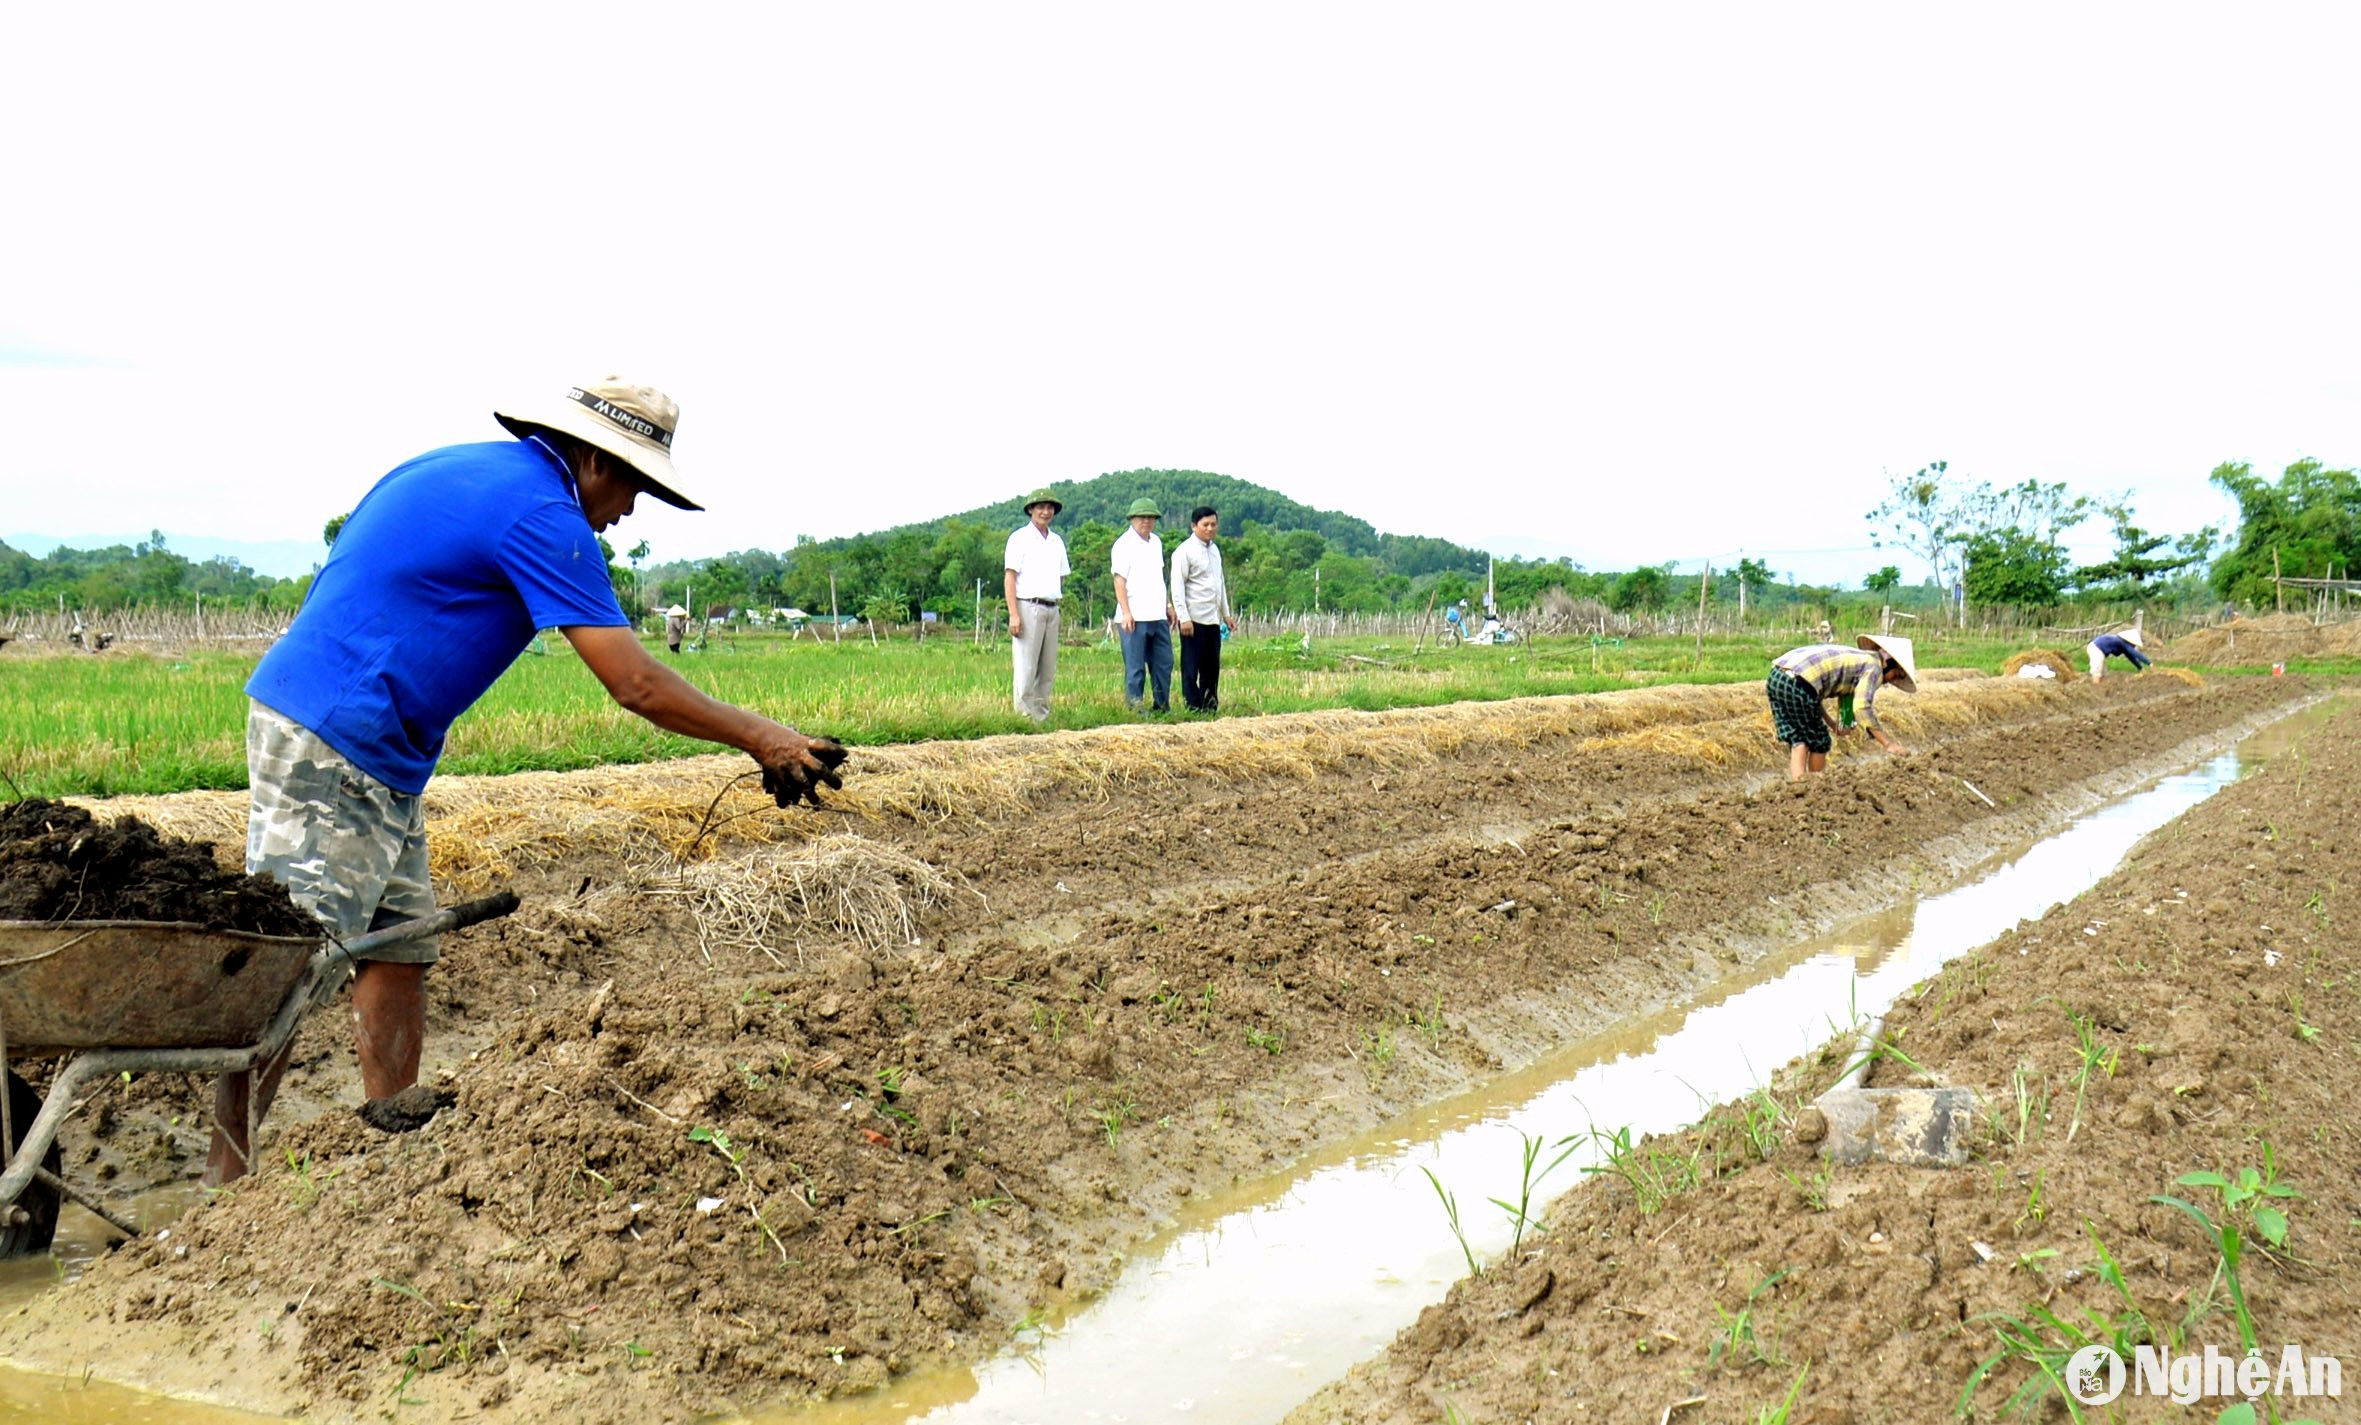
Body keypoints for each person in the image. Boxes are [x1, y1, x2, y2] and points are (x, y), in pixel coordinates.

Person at [210, 376, 848, 1186]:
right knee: (293, 965)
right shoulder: (544, 516)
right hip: (336, 740)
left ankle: (391, 1141)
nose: (627, 511)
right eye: (631, 486)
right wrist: (764, 738)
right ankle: (222, 1190)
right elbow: (634, 682)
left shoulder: (463, 471)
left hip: (377, 745)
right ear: (591, 459)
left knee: (400, 942)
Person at [1766, 634, 1918, 781]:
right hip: (1799, 682)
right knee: (1819, 741)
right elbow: (1862, 707)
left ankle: (1798, 787)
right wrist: (1888, 744)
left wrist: (1835, 724)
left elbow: (1818, 700)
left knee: (1798, 739)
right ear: (1888, 663)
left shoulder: (1860, 660)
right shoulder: (1874, 667)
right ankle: (1813, 789)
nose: (1892, 680)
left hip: (1778, 676)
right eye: (1896, 675)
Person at [1003, 489, 1069, 724]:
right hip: (1028, 606)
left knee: (1047, 667)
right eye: (1040, 507)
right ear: (1031, 510)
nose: (1045, 511)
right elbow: (1010, 578)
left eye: (1050, 507)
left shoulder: (1057, 541)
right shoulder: (1019, 538)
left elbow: (1061, 577)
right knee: (1026, 665)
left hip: (1052, 607)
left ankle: (1041, 717)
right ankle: (1023, 717)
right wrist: (1014, 614)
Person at [1170, 504, 1238, 712]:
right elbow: (1177, 586)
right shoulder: (1184, 551)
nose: (1210, 528)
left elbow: (1220, 583)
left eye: (1213, 524)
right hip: (1193, 619)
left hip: (1212, 619)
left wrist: (1226, 614)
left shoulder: (1215, 550)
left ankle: (1209, 706)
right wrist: (1184, 617)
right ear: (1194, 526)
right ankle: (1192, 706)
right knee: (1191, 668)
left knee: (1211, 667)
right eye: (1205, 524)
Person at [1111, 497, 1174, 712]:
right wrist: (1126, 612)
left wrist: (1167, 605)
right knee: (1135, 667)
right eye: (1142, 517)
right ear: (1132, 519)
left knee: (1164, 663)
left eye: (1150, 517)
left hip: (1157, 615)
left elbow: (1158, 577)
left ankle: (1162, 706)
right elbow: (1119, 580)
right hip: (1134, 617)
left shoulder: (1156, 542)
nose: (1146, 521)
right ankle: (1135, 708)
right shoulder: (1123, 544)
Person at [2085, 629, 2151, 680]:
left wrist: (2141, 668)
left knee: (2102, 672)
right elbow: (2134, 653)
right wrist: (2149, 663)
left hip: (2098, 650)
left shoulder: (2121, 644)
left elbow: (2131, 657)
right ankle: (2096, 689)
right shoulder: (2121, 642)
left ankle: (2100, 689)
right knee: (2097, 672)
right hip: (2096, 649)